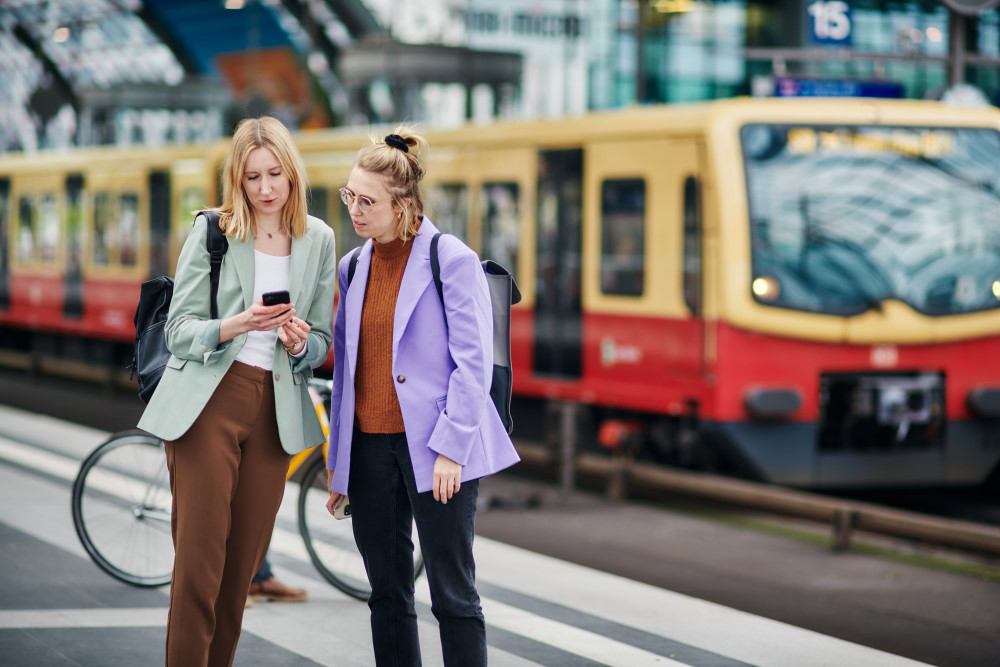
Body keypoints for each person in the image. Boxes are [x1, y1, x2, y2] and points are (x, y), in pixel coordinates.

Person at [137, 115, 336, 667]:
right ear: (237, 181)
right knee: (199, 571)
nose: (266, 188)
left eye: (276, 174)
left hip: (275, 414)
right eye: (253, 178)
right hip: (209, 406)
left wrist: (301, 344)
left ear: (293, 174)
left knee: (240, 573)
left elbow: (322, 340)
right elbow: (178, 331)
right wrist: (237, 324)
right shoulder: (213, 230)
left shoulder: (318, 238)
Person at [324, 127, 520, 666]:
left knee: (453, 596)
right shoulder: (352, 266)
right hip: (368, 449)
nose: (355, 211)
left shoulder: (449, 258)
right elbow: (348, 376)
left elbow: (473, 362)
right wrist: (341, 468)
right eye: (350, 196)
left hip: (436, 450)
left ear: (403, 204)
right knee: (386, 595)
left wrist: (453, 449)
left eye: (367, 201)